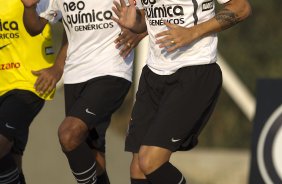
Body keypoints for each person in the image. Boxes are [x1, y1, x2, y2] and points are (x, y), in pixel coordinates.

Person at [112, 0, 252, 183]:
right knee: (138, 168)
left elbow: (241, 7)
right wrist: (135, 23)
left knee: (150, 161)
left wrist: (193, 32)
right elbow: (151, 16)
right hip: (153, 74)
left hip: (194, 71)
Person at [21, 0, 147, 183]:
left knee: (68, 134)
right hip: (75, 77)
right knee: (94, 159)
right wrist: (29, 8)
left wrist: (141, 32)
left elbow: (155, 11)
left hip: (112, 72)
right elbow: (34, 27)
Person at [0, 0, 64, 183]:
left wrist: (58, 67)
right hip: (2, 87)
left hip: (29, 85)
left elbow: (71, 24)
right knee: (12, 160)